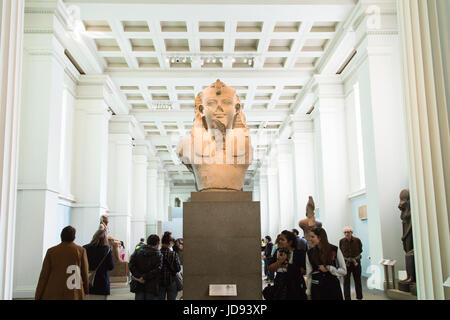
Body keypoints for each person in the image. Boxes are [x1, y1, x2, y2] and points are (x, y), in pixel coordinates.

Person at [35, 226, 89, 300]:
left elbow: (44, 275)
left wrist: (38, 294)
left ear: (61, 236)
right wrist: (86, 289)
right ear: (74, 237)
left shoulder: (51, 251)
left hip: (54, 289)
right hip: (73, 290)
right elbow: (84, 272)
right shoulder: (81, 250)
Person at [306, 227, 346, 300]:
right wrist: (308, 291)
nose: (310, 239)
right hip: (317, 289)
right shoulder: (309, 253)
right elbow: (309, 273)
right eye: (310, 237)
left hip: (332, 287)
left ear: (320, 237)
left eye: (312, 237)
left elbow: (344, 271)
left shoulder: (335, 249)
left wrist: (330, 268)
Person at [267, 230, 307, 300]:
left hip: (295, 284)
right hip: (279, 284)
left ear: (290, 242)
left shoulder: (299, 253)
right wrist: (280, 262)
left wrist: (286, 265)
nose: (279, 241)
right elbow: (270, 268)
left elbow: (303, 271)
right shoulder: (277, 251)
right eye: (279, 239)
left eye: (282, 240)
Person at [129, 234, 163, 300]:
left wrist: (140, 276)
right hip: (152, 284)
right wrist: (145, 276)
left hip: (139, 283)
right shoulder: (158, 253)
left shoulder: (137, 251)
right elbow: (158, 269)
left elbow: (131, 265)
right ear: (157, 243)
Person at [83, 229, 114, 300]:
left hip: (87, 281)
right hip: (102, 282)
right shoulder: (107, 249)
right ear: (105, 238)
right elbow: (111, 266)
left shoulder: (85, 248)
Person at [339, 226, 363, 300]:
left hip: (356, 263)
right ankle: (347, 298)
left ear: (351, 233)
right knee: (346, 282)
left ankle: (359, 297)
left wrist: (355, 258)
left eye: (348, 232)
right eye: (345, 232)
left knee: (357, 280)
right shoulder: (341, 241)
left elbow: (360, 249)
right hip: (346, 264)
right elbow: (340, 251)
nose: (346, 234)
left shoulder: (357, 240)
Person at [159, 231, 181, 300]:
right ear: (170, 243)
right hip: (171, 281)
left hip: (160, 281)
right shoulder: (173, 254)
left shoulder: (157, 254)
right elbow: (178, 268)